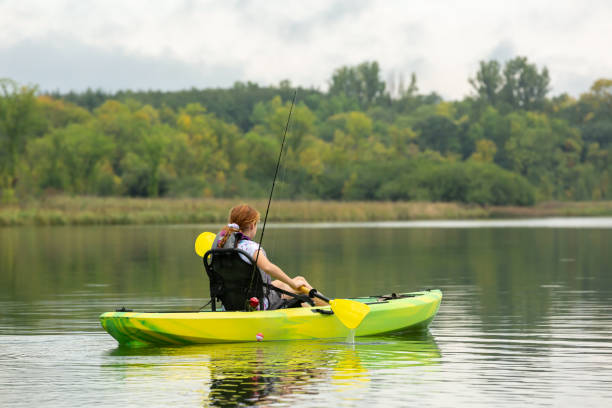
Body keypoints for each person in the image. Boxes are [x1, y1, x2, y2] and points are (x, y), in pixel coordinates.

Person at [213, 204, 325, 310]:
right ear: (252, 225)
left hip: (230, 304)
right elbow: (268, 268)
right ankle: (330, 309)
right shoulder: (251, 248)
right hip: (256, 304)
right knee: (300, 283)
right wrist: (293, 283)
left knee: (280, 283)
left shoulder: (221, 246)